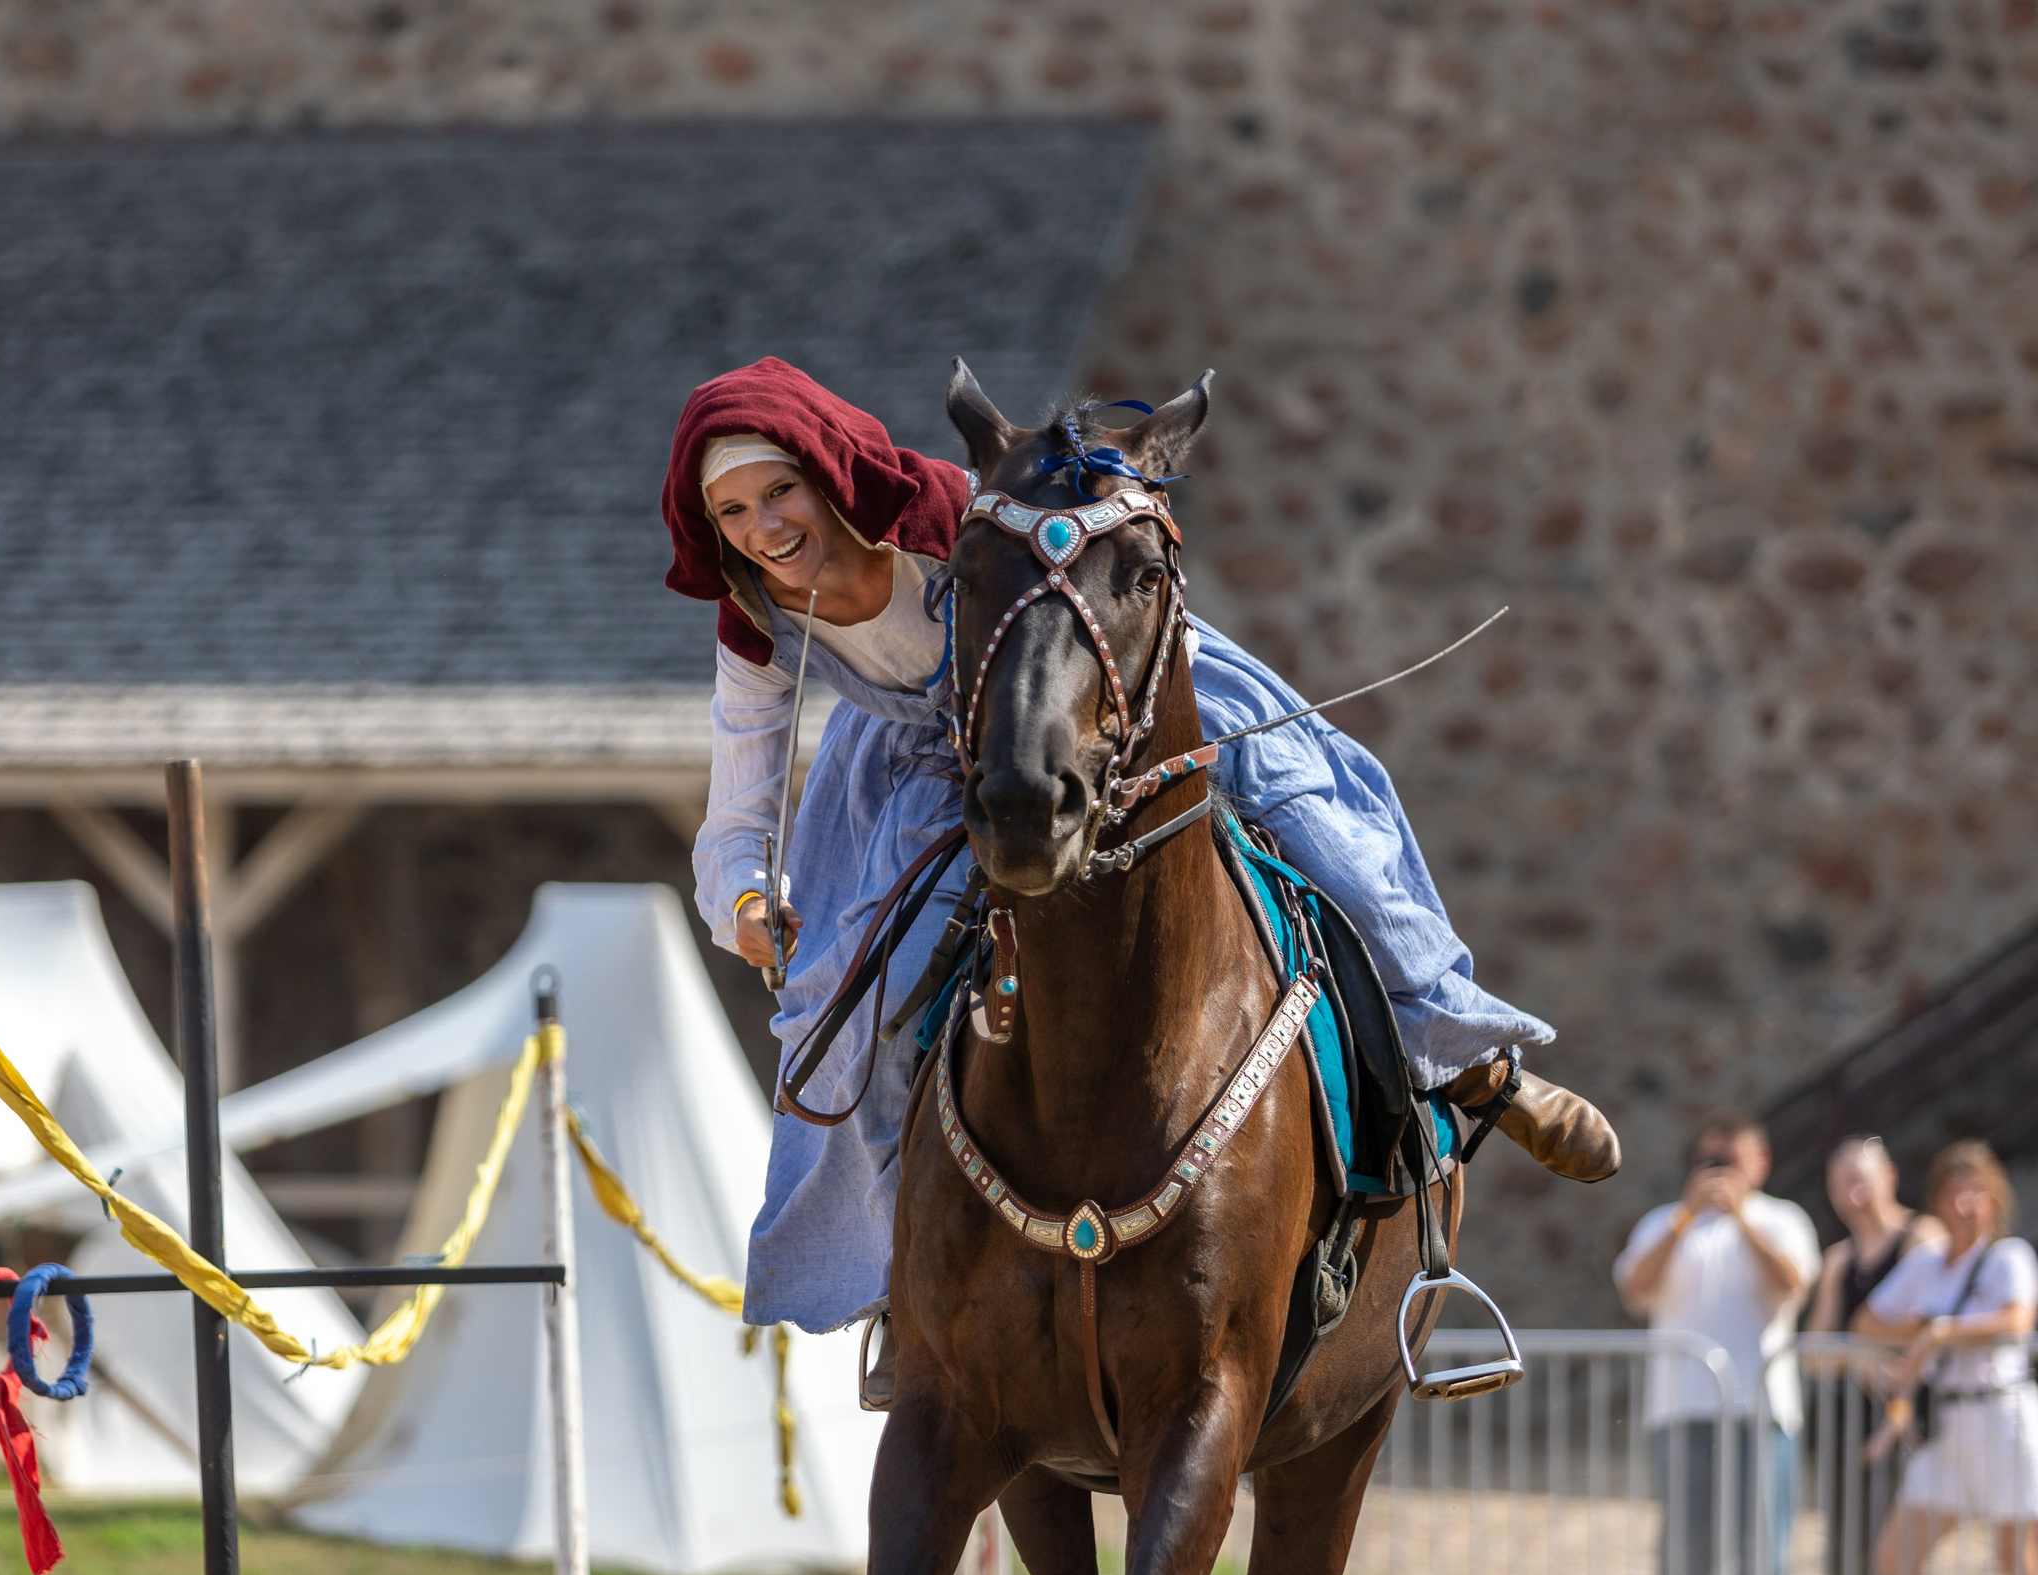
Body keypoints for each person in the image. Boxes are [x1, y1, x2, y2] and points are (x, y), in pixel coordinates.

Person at [660, 357, 1623, 1399]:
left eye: (778, 491)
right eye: (734, 511)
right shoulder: (752, 621)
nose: (764, 525)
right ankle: (907, 1288)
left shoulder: (947, 512)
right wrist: (745, 901)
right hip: (926, 764)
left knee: (1319, 810)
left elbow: (1062, 601)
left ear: (827, 472)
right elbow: (740, 801)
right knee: (853, 1000)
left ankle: (1476, 1059)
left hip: (1089, 682)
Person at [1614, 1113, 1820, 1575]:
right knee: (1683, 1545)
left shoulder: (1782, 1219)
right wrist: (1686, 1215)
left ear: (1760, 1164)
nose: (1717, 1174)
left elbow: (1793, 1285)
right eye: (1708, 1161)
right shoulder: (1664, 1222)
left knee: (1764, 1546)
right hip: (1680, 1411)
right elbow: (1635, 1288)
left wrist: (1741, 1220)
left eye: (1728, 1161)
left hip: (1762, 1411)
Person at [1855, 1141, 2038, 1575]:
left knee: (2016, 1559)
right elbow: (1868, 1322)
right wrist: (1920, 1329)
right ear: (1938, 1200)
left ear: (1994, 1200)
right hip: (1946, 1426)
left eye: (1978, 1191)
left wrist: (1943, 1330)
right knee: (1896, 1559)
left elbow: (2015, 1319)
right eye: (1957, 1191)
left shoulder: (2008, 1257)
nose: (1967, 1204)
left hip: (2001, 1415)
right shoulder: (1926, 1264)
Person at [1806, 1135, 1942, 1575]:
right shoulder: (1839, 1259)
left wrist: (1858, 1348)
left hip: (1908, 1421)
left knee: (1893, 1550)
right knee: (1843, 1550)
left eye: (1862, 1178)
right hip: (1847, 1424)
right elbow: (1815, 1353)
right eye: (1842, 1182)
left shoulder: (1923, 1238)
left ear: (1889, 1175)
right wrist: (1862, 1353)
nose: (1854, 1193)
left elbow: (1920, 1324)